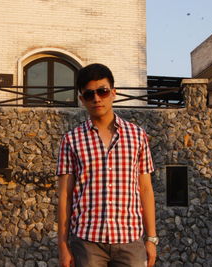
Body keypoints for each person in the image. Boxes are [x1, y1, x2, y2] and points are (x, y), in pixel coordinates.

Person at [57, 63, 157, 267]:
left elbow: (145, 189)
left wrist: (152, 239)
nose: (96, 98)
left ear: (113, 93)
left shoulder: (137, 136)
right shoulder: (71, 140)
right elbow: (65, 195)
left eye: (102, 91)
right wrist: (62, 245)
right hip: (87, 241)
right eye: (89, 94)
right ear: (81, 99)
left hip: (130, 240)